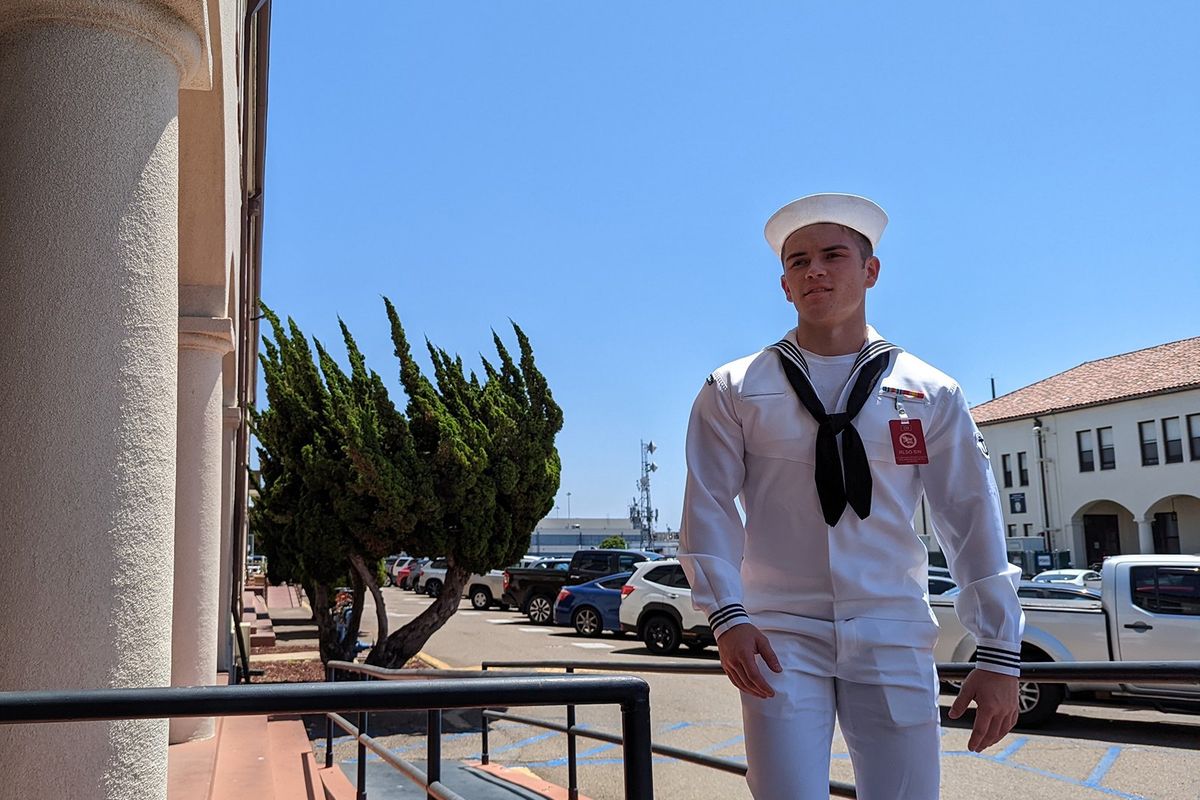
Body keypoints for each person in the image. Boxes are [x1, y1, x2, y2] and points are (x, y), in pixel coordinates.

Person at [678, 194, 1024, 799]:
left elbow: (968, 516)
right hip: (779, 632)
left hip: (892, 624)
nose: (815, 270)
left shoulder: (930, 393)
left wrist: (998, 649)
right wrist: (726, 616)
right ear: (783, 285)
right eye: (798, 261)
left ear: (871, 270)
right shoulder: (735, 388)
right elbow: (708, 505)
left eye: (834, 255)